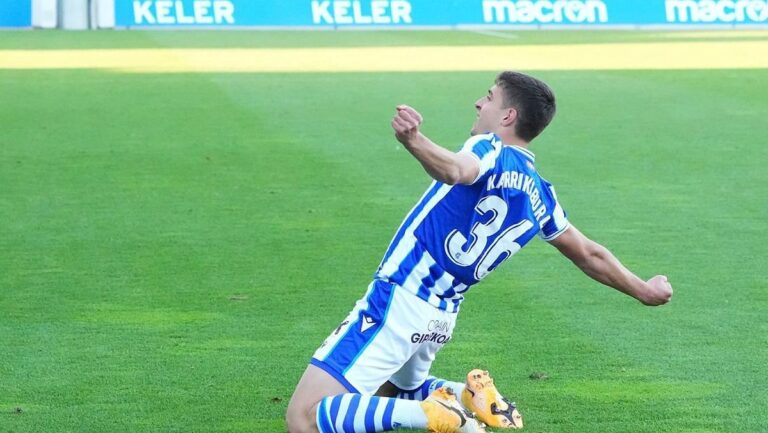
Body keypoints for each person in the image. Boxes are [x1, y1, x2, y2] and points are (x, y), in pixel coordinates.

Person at [285, 71, 673, 433]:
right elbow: (589, 254)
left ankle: (434, 413)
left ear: (508, 116)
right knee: (393, 388)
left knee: (304, 415)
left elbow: (456, 170)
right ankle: (466, 398)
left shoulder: (489, 148)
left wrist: (413, 140)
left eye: (488, 97)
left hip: (400, 299)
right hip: (440, 318)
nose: (477, 103)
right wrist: (644, 289)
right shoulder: (540, 194)